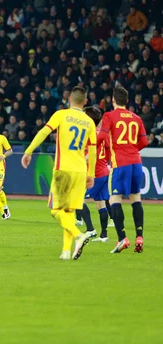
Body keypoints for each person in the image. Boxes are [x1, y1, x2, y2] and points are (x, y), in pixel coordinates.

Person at [22, 86, 97, 261]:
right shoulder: (89, 122)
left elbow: (44, 131)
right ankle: (65, 252)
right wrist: (91, 174)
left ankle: (79, 235)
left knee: (56, 210)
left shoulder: (61, 115)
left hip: (63, 169)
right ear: (85, 102)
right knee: (69, 212)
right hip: (80, 171)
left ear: (69, 99)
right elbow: (92, 151)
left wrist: (29, 151)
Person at [98, 87, 148, 253]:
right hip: (136, 162)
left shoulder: (109, 116)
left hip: (120, 163)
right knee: (136, 198)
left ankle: (122, 239)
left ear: (113, 100)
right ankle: (139, 236)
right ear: (126, 101)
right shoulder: (136, 118)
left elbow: (102, 136)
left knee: (114, 199)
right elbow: (144, 142)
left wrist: (90, 145)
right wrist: (131, 149)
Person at [77, 106, 112, 242]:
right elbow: (108, 151)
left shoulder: (88, 134)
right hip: (104, 171)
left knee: (79, 201)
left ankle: (91, 229)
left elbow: (88, 155)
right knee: (100, 203)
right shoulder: (103, 134)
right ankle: (104, 236)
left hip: (94, 174)